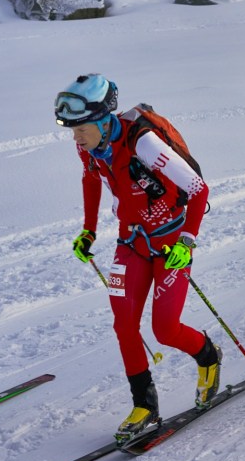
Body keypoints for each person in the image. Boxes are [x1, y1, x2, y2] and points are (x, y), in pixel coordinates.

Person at [54, 74, 220, 442]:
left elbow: (198, 188)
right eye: (72, 130)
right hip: (130, 243)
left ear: (101, 120)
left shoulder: (143, 142)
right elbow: (91, 179)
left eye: (80, 128)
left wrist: (187, 242)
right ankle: (144, 405)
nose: (76, 137)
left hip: (170, 244)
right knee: (123, 324)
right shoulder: (88, 145)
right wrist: (89, 229)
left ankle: (209, 357)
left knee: (165, 329)